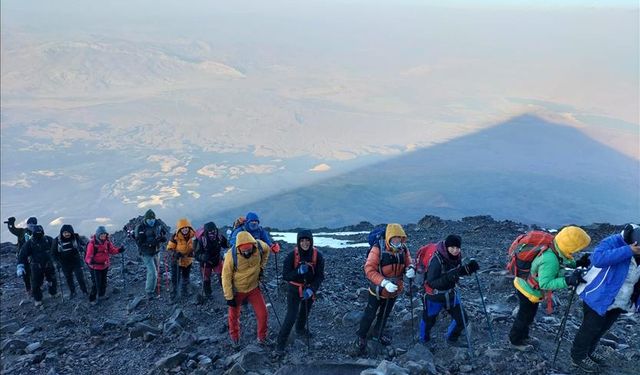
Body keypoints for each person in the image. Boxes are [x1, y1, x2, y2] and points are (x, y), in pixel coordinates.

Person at [570, 223, 640, 373]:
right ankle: (578, 357)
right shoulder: (613, 242)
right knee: (589, 329)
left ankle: (589, 352)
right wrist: (628, 251)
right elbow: (598, 259)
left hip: (620, 300)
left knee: (601, 329)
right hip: (599, 296)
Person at [509, 226, 591, 351]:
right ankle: (515, 341)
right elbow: (545, 284)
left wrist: (577, 263)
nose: (576, 252)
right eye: (576, 249)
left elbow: (563, 260)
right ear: (569, 247)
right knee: (525, 316)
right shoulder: (550, 260)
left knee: (528, 315)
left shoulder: (555, 245)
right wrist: (568, 281)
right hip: (528, 291)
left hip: (525, 285)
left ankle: (523, 336)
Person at [355, 223, 415, 354]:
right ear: (388, 238)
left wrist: (410, 269)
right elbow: (369, 269)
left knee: (385, 314)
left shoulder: (403, 249)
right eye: (394, 238)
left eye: (399, 238)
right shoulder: (377, 249)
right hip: (377, 290)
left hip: (394, 291)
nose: (397, 241)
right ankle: (361, 335)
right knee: (369, 314)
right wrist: (384, 282)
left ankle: (378, 334)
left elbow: (408, 262)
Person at [419, 235, 479, 347]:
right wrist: (450, 276)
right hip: (434, 296)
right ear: (447, 247)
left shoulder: (456, 257)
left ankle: (451, 338)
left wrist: (468, 269)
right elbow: (431, 282)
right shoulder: (436, 260)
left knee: (462, 319)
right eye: (452, 247)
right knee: (429, 321)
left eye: (457, 248)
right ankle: (424, 341)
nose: (455, 250)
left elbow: (455, 272)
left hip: (451, 294)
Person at [275, 230, 325, 356]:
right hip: (294, 289)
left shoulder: (317, 256)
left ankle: (300, 329)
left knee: (305, 311)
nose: (305, 243)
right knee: (291, 316)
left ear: (311, 241)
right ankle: (280, 344)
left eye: (307, 240)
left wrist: (312, 289)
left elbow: (319, 276)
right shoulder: (292, 256)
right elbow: (286, 276)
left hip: (309, 289)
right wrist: (298, 271)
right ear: (298, 241)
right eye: (302, 240)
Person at [221, 231, 271, 349]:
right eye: (244, 251)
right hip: (237, 291)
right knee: (233, 316)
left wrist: (261, 268)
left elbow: (267, 250)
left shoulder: (259, 246)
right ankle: (235, 338)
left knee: (263, 314)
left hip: (254, 288)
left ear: (253, 245)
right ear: (239, 248)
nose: (247, 252)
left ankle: (262, 338)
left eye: (249, 250)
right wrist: (229, 297)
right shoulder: (231, 255)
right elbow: (226, 276)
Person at [17, 225, 58, 306]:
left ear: (43, 232)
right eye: (36, 233)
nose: (38, 234)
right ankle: (38, 299)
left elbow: (56, 247)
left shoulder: (48, 239)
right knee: (36, 284)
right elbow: (22, 254)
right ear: (33, 233)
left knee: (52, 279)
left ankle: (53, 293)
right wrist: (20, 266)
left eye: (40, 233)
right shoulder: (30, 243)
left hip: (48, 264)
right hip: (36, 266)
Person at [85, 226, 124, 304]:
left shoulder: (107, 242)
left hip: (104, 266)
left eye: (104, 234)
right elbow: (88, 257)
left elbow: (112, 250)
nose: (103, 236)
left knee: (104, 281)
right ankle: (92, 299)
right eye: (101, 234)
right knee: (96, 283)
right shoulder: (92, 244)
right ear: (98, 235)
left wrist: (119, 250)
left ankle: (101, 295)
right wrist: (90, 261)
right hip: (95, 267)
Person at [134, 209, 167, 298]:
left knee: (156, 270)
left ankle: (154, 286)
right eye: (149, 220)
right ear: (146, 219)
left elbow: (164, 233)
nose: (151, 221)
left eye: (153, 219)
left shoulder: (158, 224)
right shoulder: (141, 228)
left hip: (156, 251)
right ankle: (149, 291)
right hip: (146, 253)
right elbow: (140, 243)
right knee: (152, 272)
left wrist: (162, 238)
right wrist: (152, 242)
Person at [51, 224, 88, 298]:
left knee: (80, 277)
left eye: (68, 232)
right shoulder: (56, 240)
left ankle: (84, 291)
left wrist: (82, 248)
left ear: (71, 232)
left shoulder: (76, 237)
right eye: (65, 232)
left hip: (76, 261)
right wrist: (56, 262)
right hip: (64, 263)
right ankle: (73, 292)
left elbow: (85, 245)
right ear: (62, 232)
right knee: (68, 278)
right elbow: (53, 253)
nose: (67, 234)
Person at [194, 221, 229, 297]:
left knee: (222, 276)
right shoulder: (202, 240)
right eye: (210, 231)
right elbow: (196, 254)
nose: (213, 233)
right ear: (206, 232)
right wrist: (203, 257)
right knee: (206, 279)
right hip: (206, 263)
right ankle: (208, 294)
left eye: (214, 230)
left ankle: (227, 291)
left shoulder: (219, 237)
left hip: (216, 260)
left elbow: (226, 244)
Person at [6, 216, 37, 294]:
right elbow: (12, 229)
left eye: (33, 224)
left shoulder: (38, 232)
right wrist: (11, 223)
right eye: (30, 224)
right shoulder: (22, 232)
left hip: (33, 256)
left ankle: (36, 287)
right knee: (25, 273)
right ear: (27, 224)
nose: (31, 226)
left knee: (34, 271)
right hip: (23, 256)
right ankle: (28, 289)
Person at [166, 218, 196, 299]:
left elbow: (196, 247)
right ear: (179, 229)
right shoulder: (175, 237)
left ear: (189, 227)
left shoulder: (193, 236)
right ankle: (174, 295)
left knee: (186, 277)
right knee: (175, 279)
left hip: (187, 261)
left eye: (186, 227)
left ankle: (184, 292)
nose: (185, 229)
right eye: (182, 228)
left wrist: (194, 252)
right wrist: (175, 254)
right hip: (176, 261)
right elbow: (169, 249)